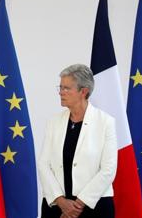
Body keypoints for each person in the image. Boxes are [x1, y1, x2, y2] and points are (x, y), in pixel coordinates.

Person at [38, 64, 117, 218]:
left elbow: (108, 169)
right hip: (56, 207)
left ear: (84, 91)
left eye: (66, 88)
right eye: (60, 87)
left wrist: (77, 205)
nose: (61, 92)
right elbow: (43, 164)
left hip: (94, 206)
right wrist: (61, 202)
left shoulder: (106, 122)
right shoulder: (53, 123)